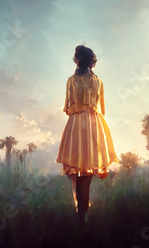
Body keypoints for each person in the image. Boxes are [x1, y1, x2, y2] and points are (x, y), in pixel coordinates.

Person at [56, 45, 119, 229]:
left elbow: (68, 109)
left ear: (77, 60)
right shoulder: (99, 81)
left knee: (76, 172)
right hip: (94, 124)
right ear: (92, 60)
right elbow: (102, 108)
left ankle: (81, 215)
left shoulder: (71, 81)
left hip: (76, 126)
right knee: (86, 175)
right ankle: (83, 214)